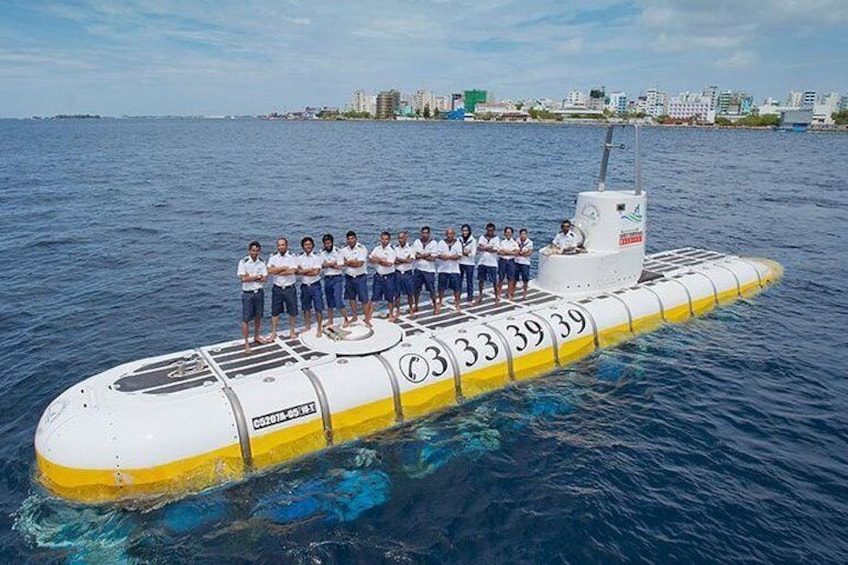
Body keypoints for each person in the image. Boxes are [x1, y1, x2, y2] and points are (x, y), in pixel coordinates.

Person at [237, 240, 269, 354]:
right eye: (252, 250)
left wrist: (251, 277)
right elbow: (243, 279)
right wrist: (257, 277)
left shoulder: (261, 262)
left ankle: (256, 336)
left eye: (256, 251)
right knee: (246, 319)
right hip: (248, 293)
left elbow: (265, 279)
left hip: (259, 292)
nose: (254, 253)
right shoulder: (243, 262)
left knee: (258, 316)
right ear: (249, 250)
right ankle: (246, 343)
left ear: (259, 251)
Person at [266, 237, 299, 341]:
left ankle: (292, 331)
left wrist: (277, 271)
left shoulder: (292, 257)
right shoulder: (273, 257)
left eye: (283, 245)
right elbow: (269, 270)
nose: (281, 247)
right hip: (277, 288)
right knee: (275, 312)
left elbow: (292, 271)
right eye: (279, 245)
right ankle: (273, 333)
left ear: (286, 245)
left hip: (290, 288)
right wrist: (283, 268)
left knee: (292, 311)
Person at [340, 230, 371, 326]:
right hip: (349, 277)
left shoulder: (362, 248)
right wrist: (352, 262)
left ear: (356, 238)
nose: (350, 240)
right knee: (351, 298)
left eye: (352, 238)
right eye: (348, 239)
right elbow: (341, 263)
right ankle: (354, 317)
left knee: (364, 299)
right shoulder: (344, 250)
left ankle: (367, 319)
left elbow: (360, 264)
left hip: (360, 277)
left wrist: (348, 262)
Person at [298, 236, 325, 338]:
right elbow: (297, 271)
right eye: (305, 245)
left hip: (315, 285)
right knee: (306, 307)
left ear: (312, 245)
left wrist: (304, 271)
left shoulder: (317, 257)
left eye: (309, 244)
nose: (307, 246)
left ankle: (319, 328)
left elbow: (316, 272)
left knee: (318, 308)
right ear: (303, 246)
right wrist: (309, 270)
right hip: (304, 286)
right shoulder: (299, 258)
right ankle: (307, 325)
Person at [369, 231, 399, 322]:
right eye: (383, 239)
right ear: (380, 239)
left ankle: (391, 315)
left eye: (386, 239)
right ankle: (369, 315)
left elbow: (389, 264)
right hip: (378, 277)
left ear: (389, 240)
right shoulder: (377, 249)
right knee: (374, 297)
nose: (384, 241)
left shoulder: (392, 250)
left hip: (389, 277)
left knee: (390, 298)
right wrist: (381, 261)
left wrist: (378, 260)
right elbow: (370, 259)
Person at [320, 234, 348, 327]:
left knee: (338, 300)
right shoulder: (322, 253)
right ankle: (330, 320)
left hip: (337, 278)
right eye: (326, 243)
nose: (327, 245)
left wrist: (327, 264)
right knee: (329, 301)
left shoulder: (338, 251)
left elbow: (339, 266)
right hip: (327, 279)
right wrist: (331, 264)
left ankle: (346, 319)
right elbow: (321, 265)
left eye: (329, 243)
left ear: (332, 242)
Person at [411, 226, 438, 315]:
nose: (424, 235)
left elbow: (433, 258)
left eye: (426, 233)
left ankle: (435, 306)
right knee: (416, 289)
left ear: (429, 234)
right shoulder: (417, 242)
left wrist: (421, 255)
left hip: (429, 270)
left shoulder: (433, 243)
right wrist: (426, 254)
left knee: (431, 289)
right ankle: (416, 305)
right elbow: (414, 256)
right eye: (423, 233)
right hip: (418, 269)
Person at [436, 228, 463, 314]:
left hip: (454, 270)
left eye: (451, 234)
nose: (449, 235)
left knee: (456, 288)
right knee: (441, 288)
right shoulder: (441, 242)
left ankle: (457, 303)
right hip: (443, 270)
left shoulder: (458, 243)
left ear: (454, 234)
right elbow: (438, 255)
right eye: (448, 234)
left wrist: (448, 257)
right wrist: (451, 257)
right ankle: (440, 301)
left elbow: (459, 255)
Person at [394, 230, 416, 317]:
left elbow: (410, 261)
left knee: (410, 293)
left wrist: (399, 259)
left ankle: (411, 309)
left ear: (406, 238)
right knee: (397, 294)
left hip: (408, 274)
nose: (401, 240)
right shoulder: (395, 248)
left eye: (402, 238)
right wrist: (404, 260)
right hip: (397, 273)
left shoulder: (411, 248)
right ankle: (398, 310)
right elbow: (394, 261)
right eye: (399, 238)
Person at [476, 222, 499, 304]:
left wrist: (485, 247)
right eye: (489, 230)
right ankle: (480, 295)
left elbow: (495, 249)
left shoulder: (496, 238)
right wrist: (489, 247)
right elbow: (479, 248)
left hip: (492, 263)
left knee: (494, 281)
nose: (490, 232)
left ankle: (497, 296)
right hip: (482, 262)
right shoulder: (482, 237)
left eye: (491, 230)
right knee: (481, 280)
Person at [497, 226, 519, 301]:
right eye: (507, 232)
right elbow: (499, 252)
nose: (508, 234)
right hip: (502, 261)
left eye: (509, 232)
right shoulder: (502, 242)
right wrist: (511, 252)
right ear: (504, 233)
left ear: (512, 233)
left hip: (511, 261)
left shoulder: (515, 243)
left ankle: (509, 293)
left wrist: (506, 252)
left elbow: (516, 253)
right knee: (501, 278)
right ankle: (498, 293)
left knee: (511, 278)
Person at [458, 224, 477, 304]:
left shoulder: (473, 240)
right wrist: (465, 252)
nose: (465, 232)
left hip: (469, 263)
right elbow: (457, 251)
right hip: (460, 262)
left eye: (466, 230)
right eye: (463, 230)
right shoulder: (459, 239)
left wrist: (463, 252)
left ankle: (470, 298)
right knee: (459, 281)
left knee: (469, 281)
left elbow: (473, 254)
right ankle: (457, 297)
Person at [515, 228, 534, 300]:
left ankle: (524, 293)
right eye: (522, 234)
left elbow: (529, 253)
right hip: (517, 262)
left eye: (524, 234)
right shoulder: (517, 241)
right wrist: (520, 253)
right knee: (515, 278)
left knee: (525, 279)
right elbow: (515, 251)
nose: (523, 235)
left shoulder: (529, 242)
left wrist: (521, 254)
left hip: (525, 263)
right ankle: (512, 292)